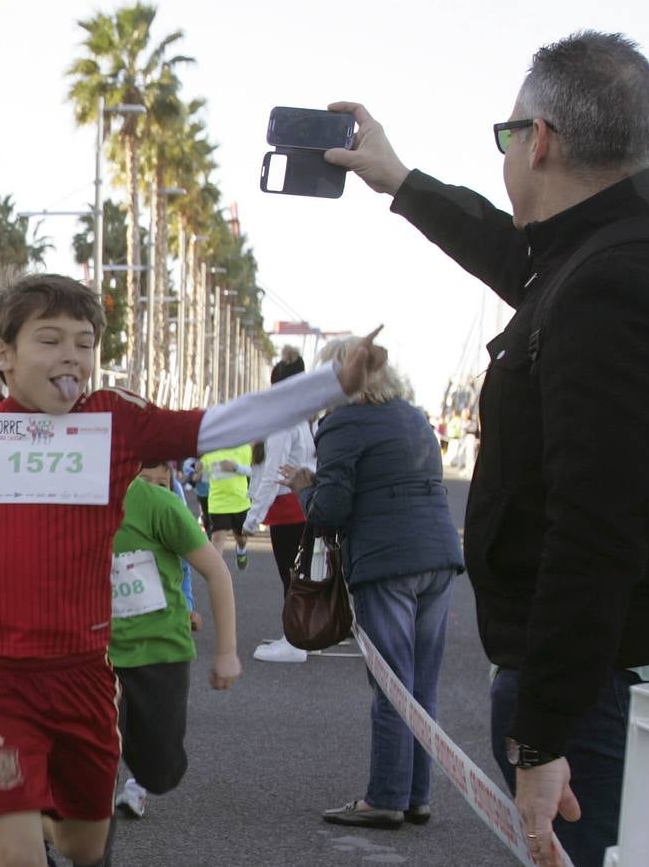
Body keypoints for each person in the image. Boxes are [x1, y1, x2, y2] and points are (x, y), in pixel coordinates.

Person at [0, 273, 385, 867]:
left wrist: (332, 383)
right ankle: (22, 809)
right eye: (51, 340)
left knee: (85, 846)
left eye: (84, 344)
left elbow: (220, 423)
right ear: (3, 354)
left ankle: (55, 809)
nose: (72, 357)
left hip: (85, 675)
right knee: (16, 849)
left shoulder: (115, 421)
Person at [329, 31, 649, 867]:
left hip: (598, 691)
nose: (509, 150)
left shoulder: (610, 285)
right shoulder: (608, 256)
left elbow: (596, 525)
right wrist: (399, 180)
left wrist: (544, 732)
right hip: (604, 681)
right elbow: (514, 255)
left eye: (508, 133)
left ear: (539, 140)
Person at [278, 338, 464, 830]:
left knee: (391, 685)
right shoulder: (415, 417)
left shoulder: (342, 424)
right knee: (421, 684)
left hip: (387, 562)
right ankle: (416, 794)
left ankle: (384, 797)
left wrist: (303, 488)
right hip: (439, 555)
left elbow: (331, 510)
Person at [110, 462, 241, 821]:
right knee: (89, 759)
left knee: (161, 771)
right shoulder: (71, 501)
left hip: (159, 653)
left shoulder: (159, 505)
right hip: (95, 657)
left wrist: (227, 652)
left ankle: (141, 777)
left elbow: (216, 572)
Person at [244, 355, 317, 665]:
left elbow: (272, 474)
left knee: (292, 577)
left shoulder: (283, 423)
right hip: (301, 506)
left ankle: (295, 641)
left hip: (288, 510)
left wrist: (251, 520)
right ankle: (298, 635)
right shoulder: (301, 420)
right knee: (299, 575)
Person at [199, 444, 253, 570]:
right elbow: (204, 475)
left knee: (241, 538)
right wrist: (199, 469)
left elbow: (254, 471)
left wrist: (235, 467)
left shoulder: (244, 448)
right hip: (218, 503)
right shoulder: (210, 451)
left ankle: (241, 549)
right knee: (217, 539)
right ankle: (216, 573)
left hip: (240, 502)